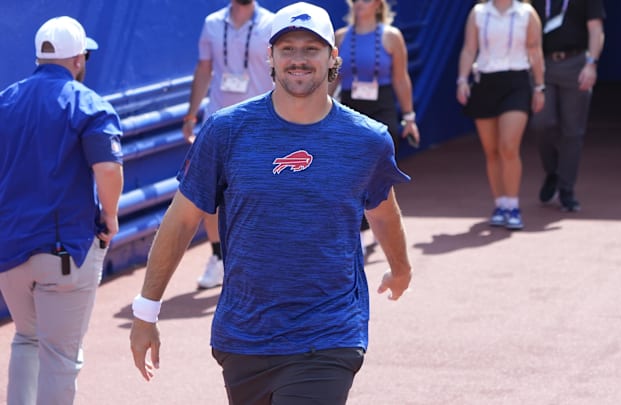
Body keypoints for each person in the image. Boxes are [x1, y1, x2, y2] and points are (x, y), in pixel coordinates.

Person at [130, 2, 413, 404]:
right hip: (244, 337)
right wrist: (146, 312)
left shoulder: (367, 140)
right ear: (271, 58)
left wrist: (400, 269)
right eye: (287, 49)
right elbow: (180, 221)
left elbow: (383, 210)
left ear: (332, 57)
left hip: (329, 335)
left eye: (311, 49)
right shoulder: (225, 131)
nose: (298, 59)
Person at [0, 16, 123, 405]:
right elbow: (107, 167)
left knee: (26, 338)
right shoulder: (86, 102)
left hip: (9, 251)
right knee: (60, 358)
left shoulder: (5, 100)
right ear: (78, 58)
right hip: (63, 250)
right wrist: (111, 215)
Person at [182, 0, 275, 289]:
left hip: (261, 123)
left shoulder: (272, 24)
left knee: (261, 193)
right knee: (211, 194)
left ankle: (260, 257)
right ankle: (219, 257)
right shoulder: (212, 23)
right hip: (218, 122)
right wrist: (190, 113)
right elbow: (204, 68)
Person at [330, 0, 420, 253]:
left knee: (379, 171)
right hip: (350, 108)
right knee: (352, 173)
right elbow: (332, 79)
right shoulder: (341, 37)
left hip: (383, 107)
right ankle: (358, 227)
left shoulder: (392, 37)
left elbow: (402, 78)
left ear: (378, 4)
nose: (360, 3)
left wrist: (410, 117)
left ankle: (381, 224)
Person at [456, 0, 545, 230]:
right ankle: (500, 203)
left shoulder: (526, 13)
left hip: (517, 82)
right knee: (492, 150)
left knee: (508, 146)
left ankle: (513, 205)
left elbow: (535, 50)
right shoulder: (478, 12)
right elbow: (469, 48)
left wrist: (539, 86)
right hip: (485, 82)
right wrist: (462, 80)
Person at [528, 0, 605, 212]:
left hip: (576, 63)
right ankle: (552, 171)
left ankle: (566, 188)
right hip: (543, 65)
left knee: (573, 131)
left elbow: (596, 28)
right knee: (541, 122)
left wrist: (592, 64)